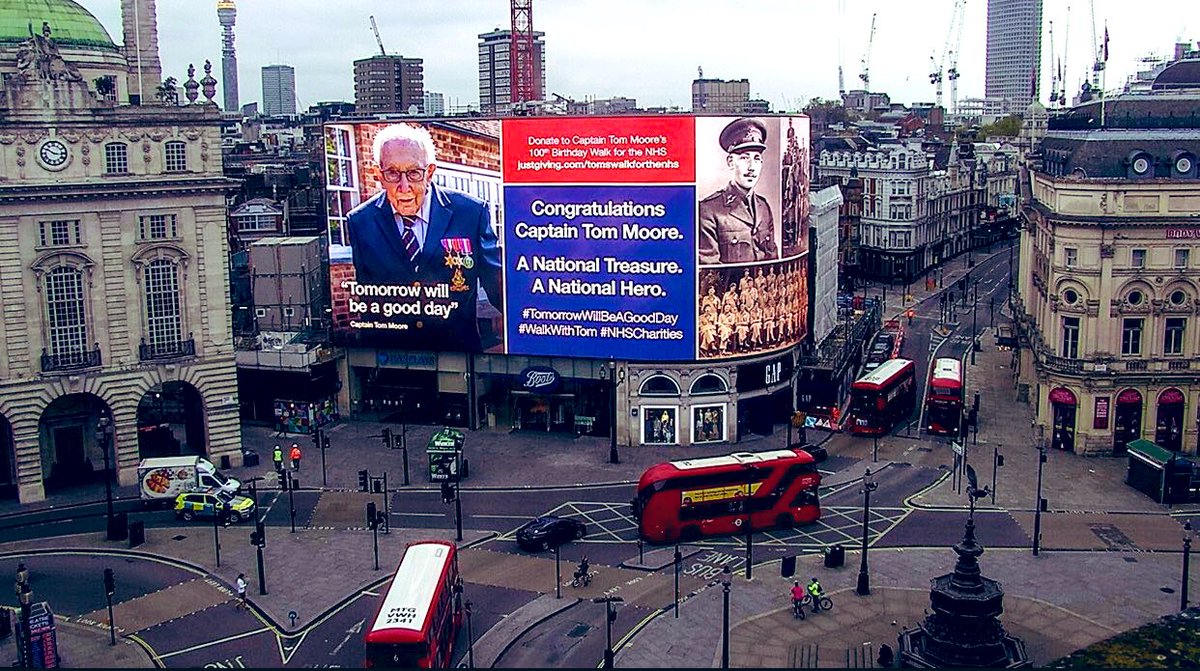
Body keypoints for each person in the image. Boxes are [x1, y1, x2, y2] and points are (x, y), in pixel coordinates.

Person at [346, 123, 504, 352]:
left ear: (429, 172)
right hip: (392, 360)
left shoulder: (470, 213)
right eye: (392, 173)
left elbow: (498, 287)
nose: (404, 186)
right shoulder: (360, 222)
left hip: (458, 358)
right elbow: (368, 300)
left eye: (413, 173)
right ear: (378, 174)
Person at [698, 118, 778, 265]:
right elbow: (710, 272)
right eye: (744, 158)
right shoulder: (708, 210)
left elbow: (773, 259)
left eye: (756, 158)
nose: (751, 167)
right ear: (730, 162)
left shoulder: (764, 207)